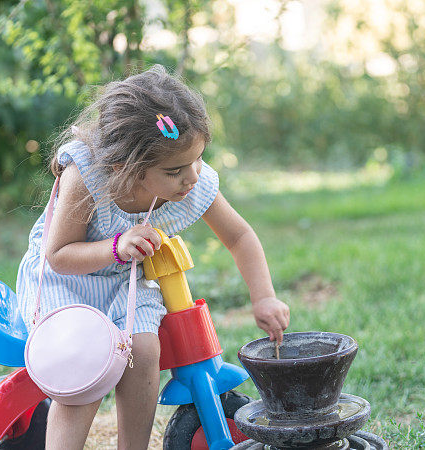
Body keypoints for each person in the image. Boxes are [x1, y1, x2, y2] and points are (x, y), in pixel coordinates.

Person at [15, 64, 290, 450]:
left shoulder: (189, 183)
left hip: (127, 284)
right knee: (85, 362)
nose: (192, 176)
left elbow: (240, 235)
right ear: (123, 168)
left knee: (143, 350)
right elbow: (58, 256)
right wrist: (117, 246)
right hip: (65, 284)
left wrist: (264, 296)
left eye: (198, 159)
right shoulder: (88, 176)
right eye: (176, 170)